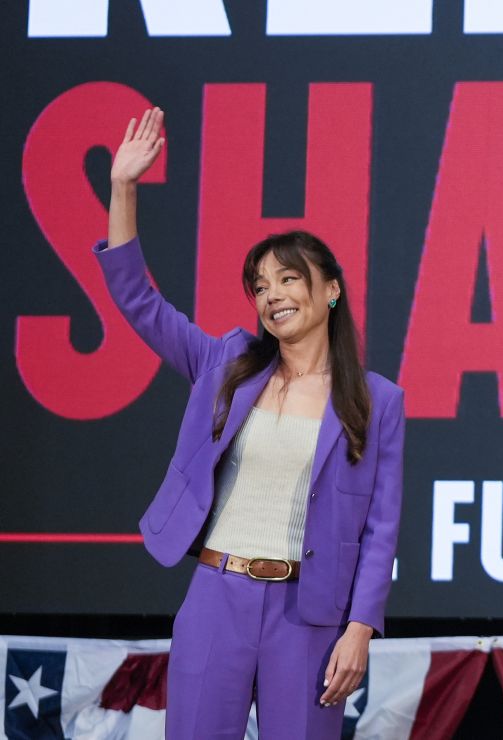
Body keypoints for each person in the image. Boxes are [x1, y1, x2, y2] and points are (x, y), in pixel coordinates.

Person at [96, 108, 404, 738]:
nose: (273, 296)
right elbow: (139, 302)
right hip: (217, 595)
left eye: (289, 278)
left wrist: (360, 628)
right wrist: (123, 188)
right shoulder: (225, 364)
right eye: (260, 286)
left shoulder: (376, 401)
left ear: (332, 291)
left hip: (310, 615)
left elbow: (381, 528)